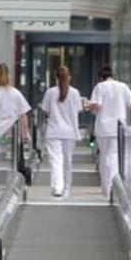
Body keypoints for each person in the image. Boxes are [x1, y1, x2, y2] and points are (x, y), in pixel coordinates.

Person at [87, 65, 131, 200]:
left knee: (105, 156)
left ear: (101, 77)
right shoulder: (123, 86)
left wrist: (88, 105)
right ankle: (112, 187)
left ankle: (107, 187)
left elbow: (97, 106)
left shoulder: (100, 87)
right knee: (114, 156)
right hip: (119, 127)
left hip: (103, 127)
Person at [41, 66, 83, 199]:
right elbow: (78, 110)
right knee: (67, 161)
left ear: (56, 78)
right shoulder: (75, 93)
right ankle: (66, 189)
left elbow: (46, 110)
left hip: (54, 130)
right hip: (70, 132)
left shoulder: (50, 92)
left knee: (56, 160)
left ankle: (57, 187)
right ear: (69, 77)